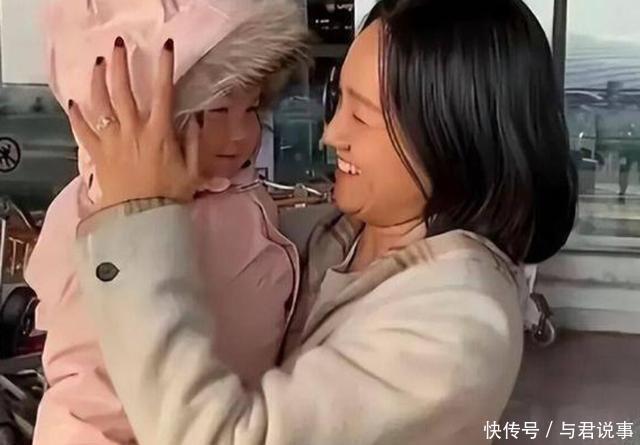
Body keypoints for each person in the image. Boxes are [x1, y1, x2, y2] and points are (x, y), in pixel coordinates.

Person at [67, 0, 577, 443]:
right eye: (338, 100)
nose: (331, 135)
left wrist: (140, 214)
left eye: (363, 115)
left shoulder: (457, 326)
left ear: (452, 138)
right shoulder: (336, 238)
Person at [24, 0, 307, 443]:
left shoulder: (229, 193)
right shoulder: (109, 225)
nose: (240, 134)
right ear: (141, 109)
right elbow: (90, 398)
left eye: (253, 109)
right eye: (215, 112)